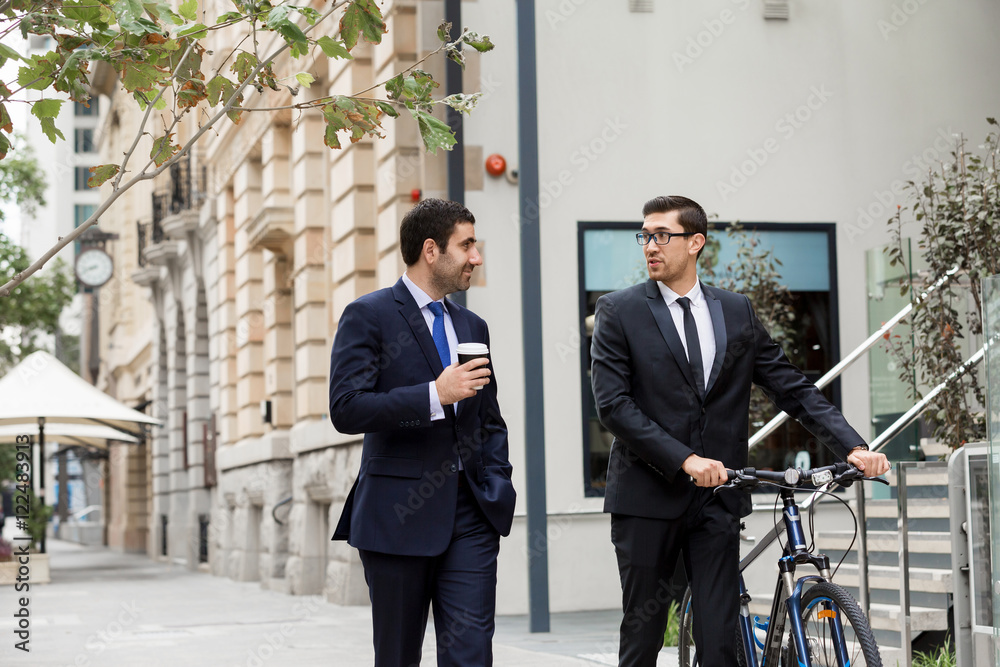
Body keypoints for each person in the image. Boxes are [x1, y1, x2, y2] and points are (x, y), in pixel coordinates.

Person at [590, 195, 890, 667]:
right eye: (645, 236)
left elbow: (792, 388)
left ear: (695, 243)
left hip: (719, 500)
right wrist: (685, 460)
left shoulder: (736, 311)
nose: (650, 246)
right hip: (647, 499)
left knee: (720, 641)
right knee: (643, 635)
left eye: (662, 236)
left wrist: (853, 445)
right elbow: (614, 407)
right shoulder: (619, 311)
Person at [329, 198, 516, 667]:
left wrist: (498, 480)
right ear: (431, 250)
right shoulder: (368, 315)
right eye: (467, 245)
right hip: (397, 517)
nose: (477, 256)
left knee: (472, 655)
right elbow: (346, 409)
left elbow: (489, 419)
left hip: (471, 514)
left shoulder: (473, 325)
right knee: (397, 656)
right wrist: (434, 394)